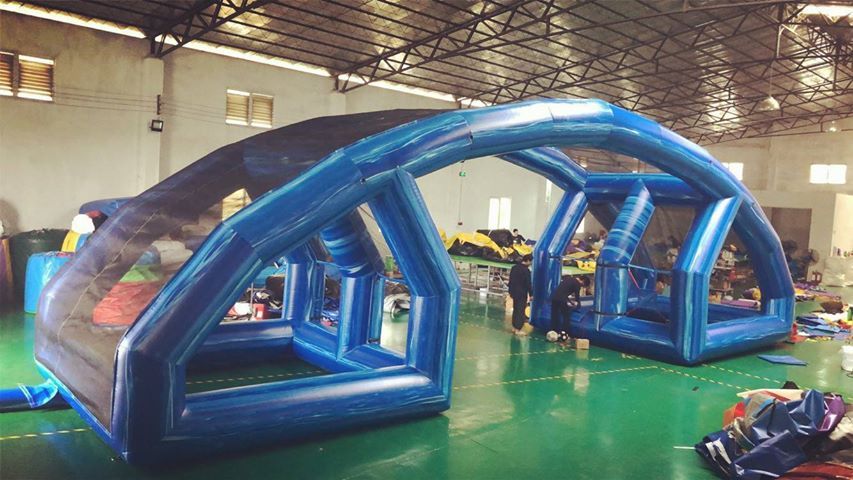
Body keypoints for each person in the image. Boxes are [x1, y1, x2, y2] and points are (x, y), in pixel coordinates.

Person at [508, 254, 533, 335]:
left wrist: (510, 291)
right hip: (522, 293)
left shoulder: (514, 267)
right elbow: (528, 284)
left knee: (515, 309)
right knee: (520, 311)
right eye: (531, 261)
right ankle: (518, 329)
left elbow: (510, 280)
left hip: (514, 292)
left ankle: (514, 327)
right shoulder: (526, 271)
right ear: (528, 261)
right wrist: (531, 294)